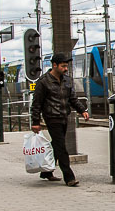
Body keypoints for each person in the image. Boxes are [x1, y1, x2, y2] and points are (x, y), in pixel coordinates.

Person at [30, 52, 90, 186]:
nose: (66, 69)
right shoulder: (44, 81)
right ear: (54, 65)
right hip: (51, 117)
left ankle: (46, 172)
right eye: (63, 66)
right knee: (61, 147)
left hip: (64, 116)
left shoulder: (67, 80)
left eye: (66, 66)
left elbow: (72, 99)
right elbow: (37, 103)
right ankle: (69, 177)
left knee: (56, 145)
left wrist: (82, 110)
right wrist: (35, 122)